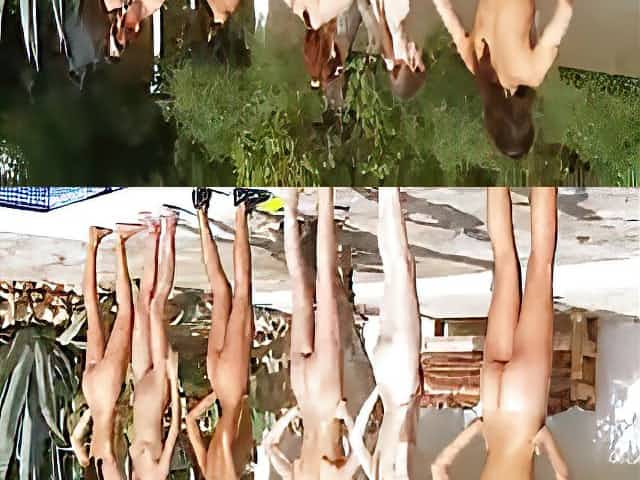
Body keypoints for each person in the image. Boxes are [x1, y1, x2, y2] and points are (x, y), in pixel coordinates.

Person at [431, 187, 569, 480]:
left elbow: (564, 477)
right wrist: (477, 428)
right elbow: (438, 468)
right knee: (504, 260)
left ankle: (543, 167)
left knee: (541, 263)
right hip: (491, 405)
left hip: (524, 409)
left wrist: (542, 439)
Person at [263, 188, 361, 479]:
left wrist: (346, 417)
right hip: (303, 394)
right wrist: (291, 415)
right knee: (300, 292)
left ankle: (325, 197)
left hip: (328, 399)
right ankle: (290, 205)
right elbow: (269, 447)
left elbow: (360, 451)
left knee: (325, 284)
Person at [336, 187, 422, 479]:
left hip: (400, 386)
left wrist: (402, 411)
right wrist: (375, 394)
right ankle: (387, 199)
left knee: (402, 267)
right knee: (394, 273)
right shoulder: (373, 474)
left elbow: (404, 445)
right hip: (384, 378)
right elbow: (356, 438)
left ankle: (389, 194)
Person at [186, 188, 269, 479]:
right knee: (221, 290)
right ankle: (200, 211)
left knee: (242, 290)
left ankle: (241, 209)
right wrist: (214, 396)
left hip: (232, 388)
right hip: (219, 381)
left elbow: (223, 443)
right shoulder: (207, 472)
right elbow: (190, 421)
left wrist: (237, 408)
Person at [431, 0, 573, 157]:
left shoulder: (531, 74)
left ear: (522, 118)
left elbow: (564, 11)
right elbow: (445, 9)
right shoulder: (475, 66)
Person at [71, 223, 143, 480]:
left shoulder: (108, 471)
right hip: (91, 391)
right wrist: (89, 414)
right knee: (92, 312)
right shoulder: (87, 464)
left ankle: (120, 243)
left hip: (107, 391)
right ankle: (93, 243)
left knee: (125, 312)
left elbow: (113, 457)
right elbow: (75, 439)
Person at [129, 211, 181, 480]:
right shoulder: (157, 475)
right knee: (156, 306)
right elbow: (174, 430)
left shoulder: (133, 475)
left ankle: (153, 234)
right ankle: (170, 229)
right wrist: (173, 379)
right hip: (159, 387)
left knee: (142, 308)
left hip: (140, 386)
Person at [366, 0, 426, 99]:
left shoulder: (396, 57)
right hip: (394, 14)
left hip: (393, 13)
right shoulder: (400, 58)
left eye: (419, 68)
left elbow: (385, 26)